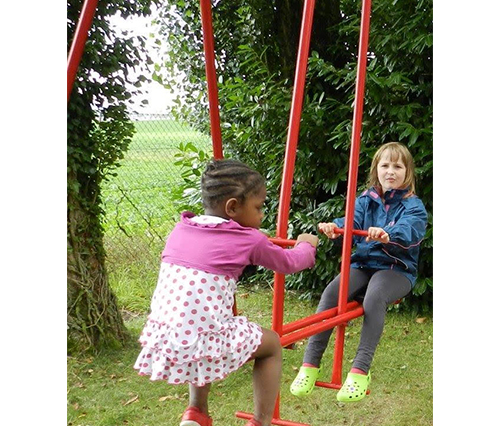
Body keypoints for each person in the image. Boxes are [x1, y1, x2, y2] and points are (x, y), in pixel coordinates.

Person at [134, 158, 319, 426]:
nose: (262, 215)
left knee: (202, 338)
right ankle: (261, 422)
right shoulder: (248, 239)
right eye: (258, 207)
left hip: (167, 333)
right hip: (204, 333)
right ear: (232, 207)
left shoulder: (181, 229)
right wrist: (306, 245)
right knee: (271, 345)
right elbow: (289, 263)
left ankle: (196, 413)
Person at [290, 142, 427, 402]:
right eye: (385, 165)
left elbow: (411, 230)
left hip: (396, 269)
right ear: (376, 170)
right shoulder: (366, 200)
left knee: (375, 297)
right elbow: (351, 222)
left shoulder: (413, 206)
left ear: (407, 172)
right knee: (332, 293)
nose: (390, 171)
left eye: (397, 166)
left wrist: (388, 234)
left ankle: (360, 370)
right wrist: (335, 227)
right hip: (364, 264)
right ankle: (310, 364)